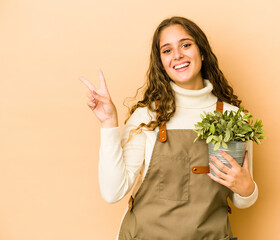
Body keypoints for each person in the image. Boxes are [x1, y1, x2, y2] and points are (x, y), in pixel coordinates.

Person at [80, 16, 258, 240]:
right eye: (167, 50)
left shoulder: (233, 119)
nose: (177, 55)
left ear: (201, 52)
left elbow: (242, 200)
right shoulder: (148, 116)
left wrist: (247, 188)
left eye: (186, 45)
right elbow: (112, 192)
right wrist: (108, 123)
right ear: (161, 62)